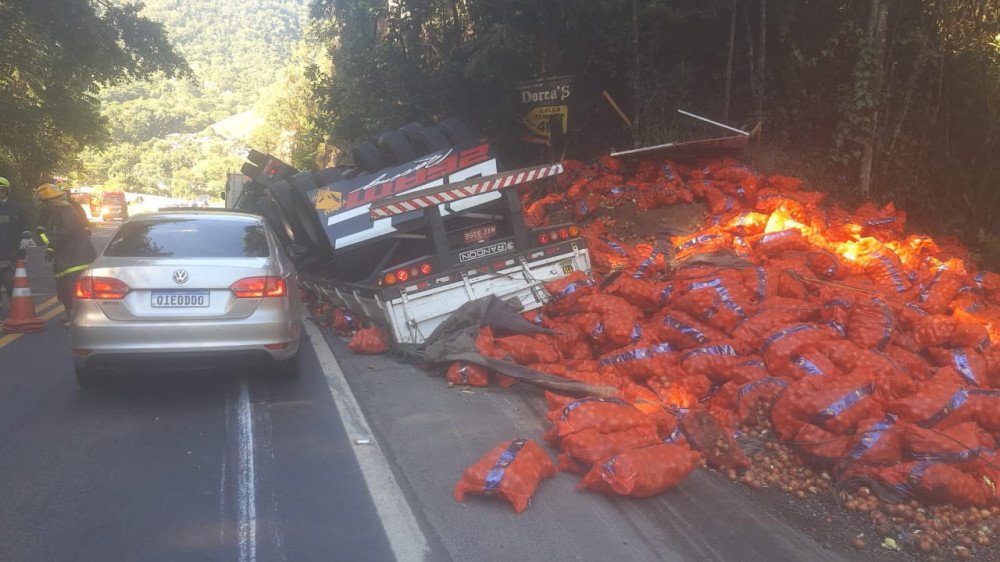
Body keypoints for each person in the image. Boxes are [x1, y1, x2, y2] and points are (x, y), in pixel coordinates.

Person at [35, 181, 97, 320]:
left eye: (43, 203)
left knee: (72, 287)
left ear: (49, 201)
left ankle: (79, 317)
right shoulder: (55, 212)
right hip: (65, 256)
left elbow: (66, 231)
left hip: (76, 256)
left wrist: (51, 247)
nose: (42, 206)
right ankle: (72, 314)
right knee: (63, 288)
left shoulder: (66, 210)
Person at [0, 177, 25, 314]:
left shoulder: (16, 207)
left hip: (11, 252)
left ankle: (16, 309)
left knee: (10, 282)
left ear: (7, 191)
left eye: (1, 190)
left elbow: (24, 225)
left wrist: (25, 238)